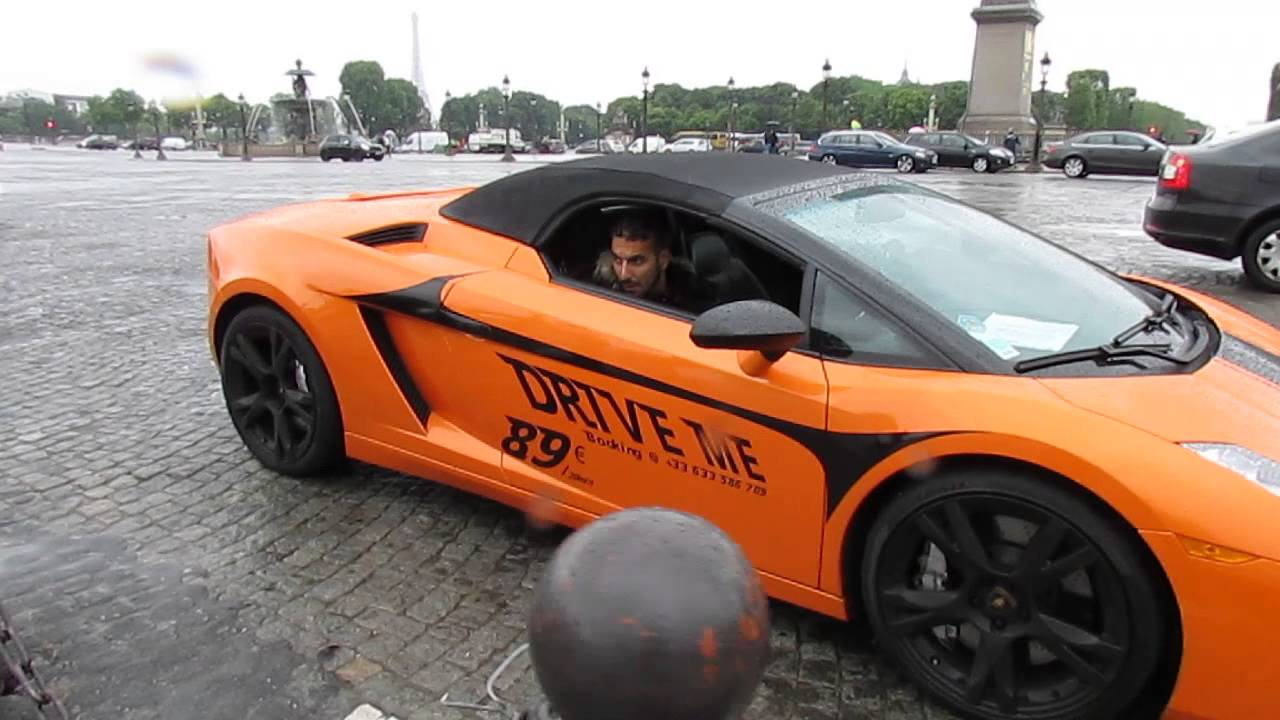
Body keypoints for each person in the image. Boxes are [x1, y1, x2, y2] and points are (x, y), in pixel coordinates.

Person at [592, 209, 713, 314]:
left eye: (636, 261)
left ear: (663, 260)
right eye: (618, 260)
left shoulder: (696, 299)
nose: (624, 275)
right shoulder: (599, 297)